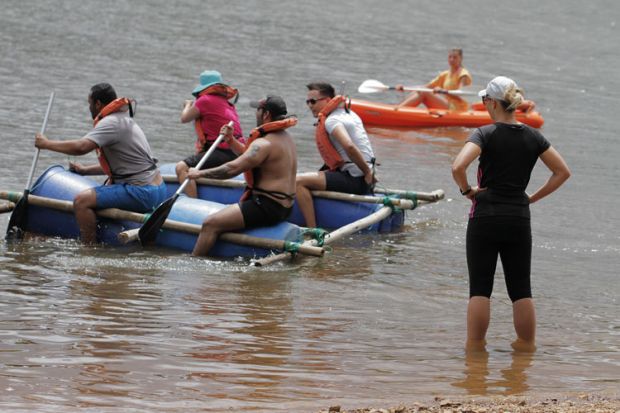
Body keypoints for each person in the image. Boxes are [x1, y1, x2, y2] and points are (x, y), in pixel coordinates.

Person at [451, 76, 571, 352]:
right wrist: (531, 198)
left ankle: (475, 353)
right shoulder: (534, 136)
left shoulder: (485, 133)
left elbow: (458, 166)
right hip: (518, 217)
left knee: (480, 288)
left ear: (492, 103)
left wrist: (467, 191)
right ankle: (527, 351)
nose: (483, 104)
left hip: (485, 216)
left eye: (484, 100)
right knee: (521, 289)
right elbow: (562, 172)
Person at [34, 83, 166, 244]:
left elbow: (81, 147)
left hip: (143, 192)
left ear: (98, 104)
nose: (89, 108)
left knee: (81, 201)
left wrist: (46, 144)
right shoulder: (125, 119)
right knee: (102, 193)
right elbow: (125, 166)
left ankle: (88, 249)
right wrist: (85, 171)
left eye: (89, 103)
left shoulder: (111, 122)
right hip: (158, 188)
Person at [188, 95, 298, 257]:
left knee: (210, 223)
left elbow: (232, 169)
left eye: (258, 111)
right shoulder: (285, 138)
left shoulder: (264, 143)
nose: (256, 114)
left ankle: (194, 262)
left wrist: (198, 174)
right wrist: (231, 140)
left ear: (266, 114)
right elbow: (249, 156)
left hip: (267, 207)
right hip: (285, 207)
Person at [296, 82, 376, 228]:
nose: (309, 105)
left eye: (313, 101)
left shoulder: (332, 121)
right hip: (361, 177)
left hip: (356, 179)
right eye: (307, 101)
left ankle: (311, 229)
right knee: (315, 174)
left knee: (298, 181)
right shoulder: (350, 114)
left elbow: (349, 146)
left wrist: (367, 172)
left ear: (327, 100)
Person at [176, 70, 244, 197]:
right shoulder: (227, 103)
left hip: (223, 152)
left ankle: (193, 204)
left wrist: (187, 105)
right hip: (236, 151)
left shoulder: (205, 100)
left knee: (181, 167)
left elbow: (184, 118)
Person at [395, 48, 472, 112]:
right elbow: (427, 86)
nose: (451, 59)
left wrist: (443, 91)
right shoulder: (445, 74)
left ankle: (397, 111)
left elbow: (462, 95)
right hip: (447, 104)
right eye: (450, 57)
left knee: (424, 92)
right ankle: (397, 108)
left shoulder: (463, 75)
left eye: (455, 57)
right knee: (420, 90)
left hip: (457, 108)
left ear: (461, 59)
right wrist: (404, 88)